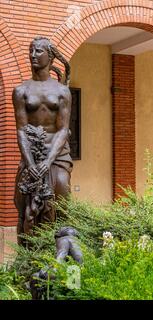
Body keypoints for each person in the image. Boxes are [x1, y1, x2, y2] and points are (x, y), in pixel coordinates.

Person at [13, 36, 72, 244]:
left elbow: (63, 129)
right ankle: (28, 252)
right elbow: (20, 130)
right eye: (31, 51)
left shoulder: (62, 91)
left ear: (50, 56)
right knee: (24, 200)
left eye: (38, 51)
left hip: (56, 155)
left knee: (62, 189)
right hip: (32, 154)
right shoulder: (21, 91)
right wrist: (30, 164)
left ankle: (61, 245)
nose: (33, 55)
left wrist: (47, 162)